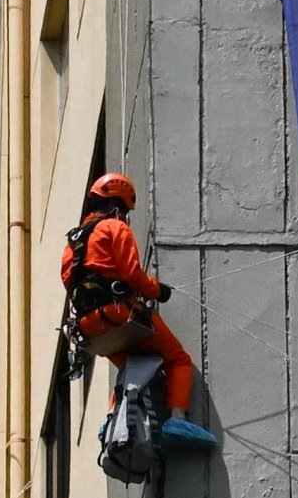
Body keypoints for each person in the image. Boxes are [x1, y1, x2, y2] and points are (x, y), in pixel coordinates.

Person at [62, 173, 214, 453]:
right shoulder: (114, 227)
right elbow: (132, 274)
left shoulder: (71, 245)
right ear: (118, 206)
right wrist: (158, 291)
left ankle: (111, 423)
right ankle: (177, 420)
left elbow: (70, 283)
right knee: (178, 359)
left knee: (129, 369)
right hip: (120, 313)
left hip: (88, 327)